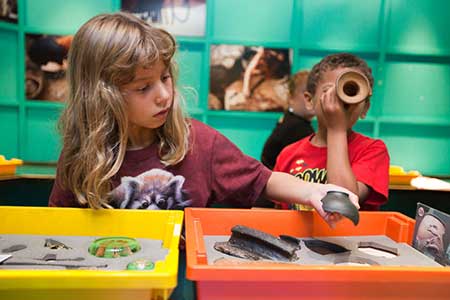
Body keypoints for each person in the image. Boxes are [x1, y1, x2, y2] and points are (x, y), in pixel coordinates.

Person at [47, 13, 359, 300]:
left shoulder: (197, 140)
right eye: (144, 87)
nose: (164, 95)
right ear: (102, 95)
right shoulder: (82, 157)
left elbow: (262, 179)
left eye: (165, 78)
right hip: (110, 287)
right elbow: (59, 232)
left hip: (185, 286)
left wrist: (313, 191)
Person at [274, 53, 389, 211]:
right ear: (310, 101)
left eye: (350, 92)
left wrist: (336, 129)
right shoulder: (288, 154)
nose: (341, 101)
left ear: (365, 108)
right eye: (329, 92)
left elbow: (343, 203)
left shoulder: (373, 151)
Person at [261, 70, 315, 170]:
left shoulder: (289, 121)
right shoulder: (297, 127)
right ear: (291, 97)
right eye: (306, 93)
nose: (312, 98)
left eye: (315, 92)